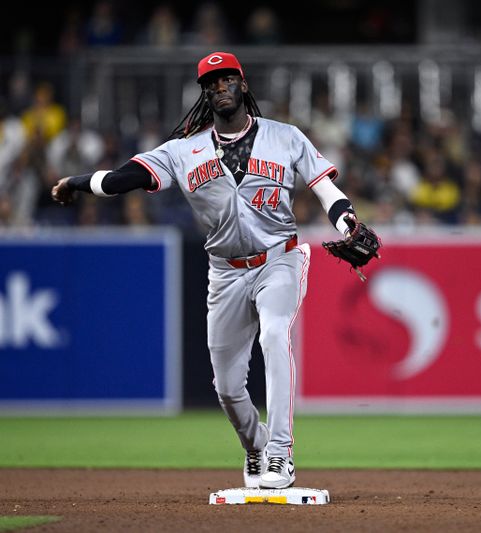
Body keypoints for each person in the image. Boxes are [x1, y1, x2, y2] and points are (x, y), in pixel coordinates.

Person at [52, 51, 379, 490]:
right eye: (211, 82)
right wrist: (77, 182)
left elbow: (326, 188)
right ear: (205, 93)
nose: (220, 86)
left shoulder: (285, 137)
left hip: (278, 258)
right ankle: (257, 445)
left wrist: (347, 222)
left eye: (227, 79)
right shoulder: (183, 151)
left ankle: (281, 452)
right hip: (224, 272)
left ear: (243, 85)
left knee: (274, 334)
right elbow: (122, 178)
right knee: (226, 387)